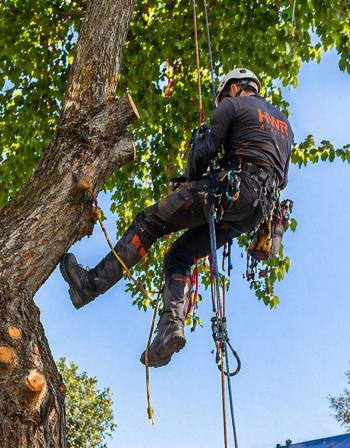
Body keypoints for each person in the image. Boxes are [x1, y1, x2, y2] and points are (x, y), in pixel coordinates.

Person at [60, 68, 293, 368]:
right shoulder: (285, 126)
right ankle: (170, 329)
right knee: (179, 257)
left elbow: (201, 159)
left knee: (150, 222)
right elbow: (281, 177)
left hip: (230, 190)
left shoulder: (233, 106)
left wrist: (198, 151)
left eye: (223, 96)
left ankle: (89, 285)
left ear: (234, 88)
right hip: (255, 212)